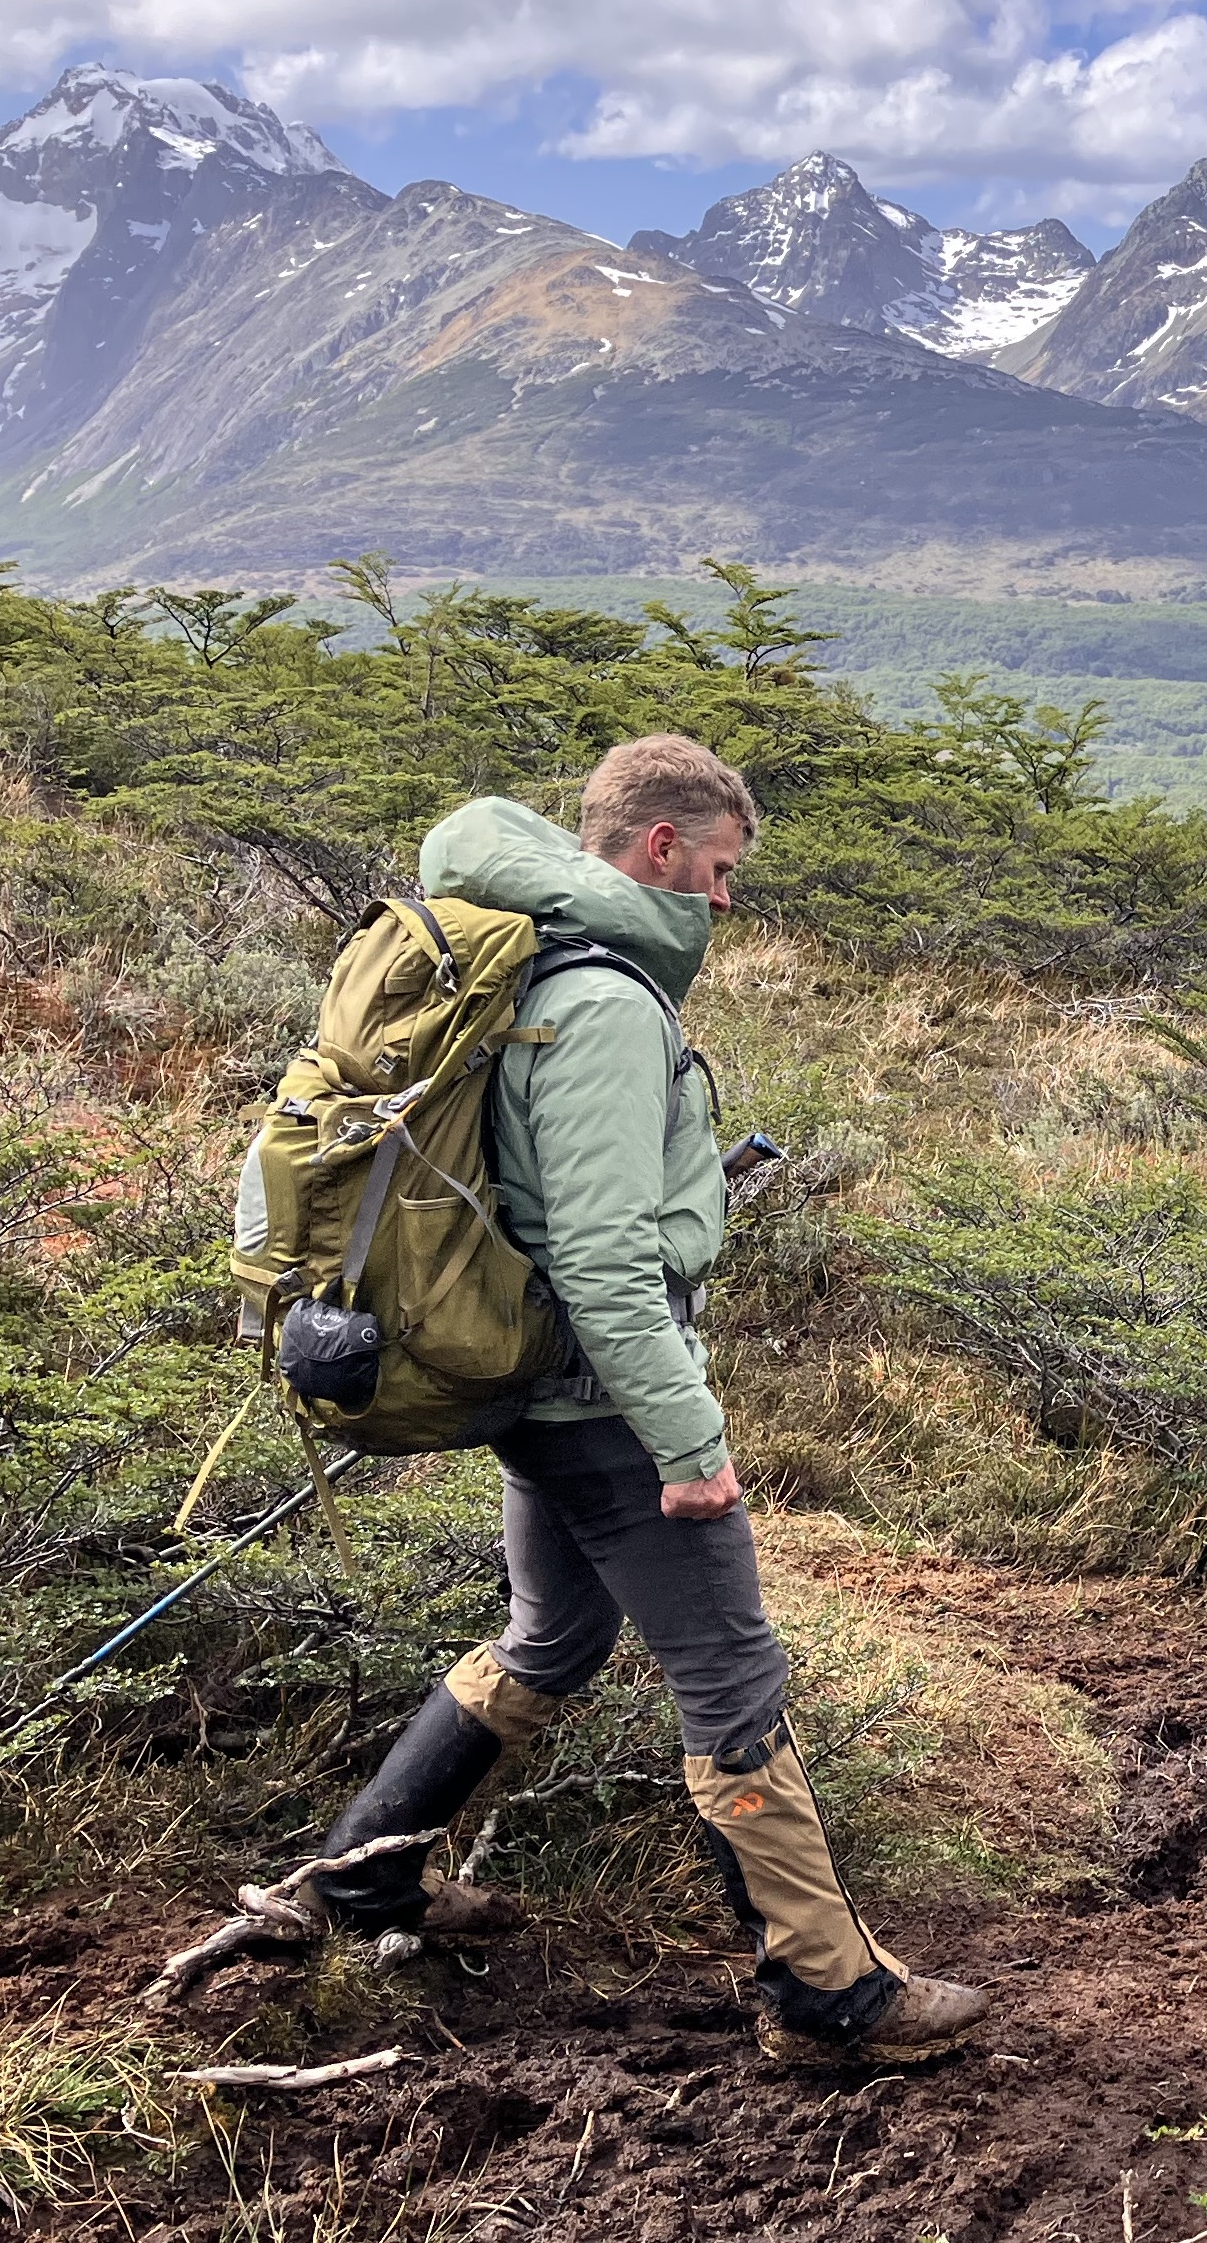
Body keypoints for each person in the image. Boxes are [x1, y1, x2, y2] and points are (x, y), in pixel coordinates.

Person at [301, 735, 989, 2064]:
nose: (725, 903)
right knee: (730, 1671)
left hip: (537, 1385)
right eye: (720, 872)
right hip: (606, 1407)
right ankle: (827, 1995)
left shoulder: (527, 964)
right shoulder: (609, 1003)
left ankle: (364, 1873)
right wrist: (688, 1443)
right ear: (659, 848)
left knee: (553, 1638)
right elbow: (606, 1257)